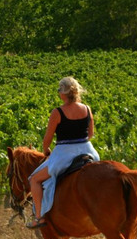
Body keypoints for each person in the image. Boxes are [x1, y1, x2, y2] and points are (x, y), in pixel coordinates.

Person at [26, 76, 100, 229]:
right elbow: (91, 134)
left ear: (63, 94)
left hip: (64, 154)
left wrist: (46, 150)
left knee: (34, 180)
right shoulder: (87, 108)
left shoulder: (58, 112)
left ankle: (39, 217)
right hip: (89, 150)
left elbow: (47, 139)